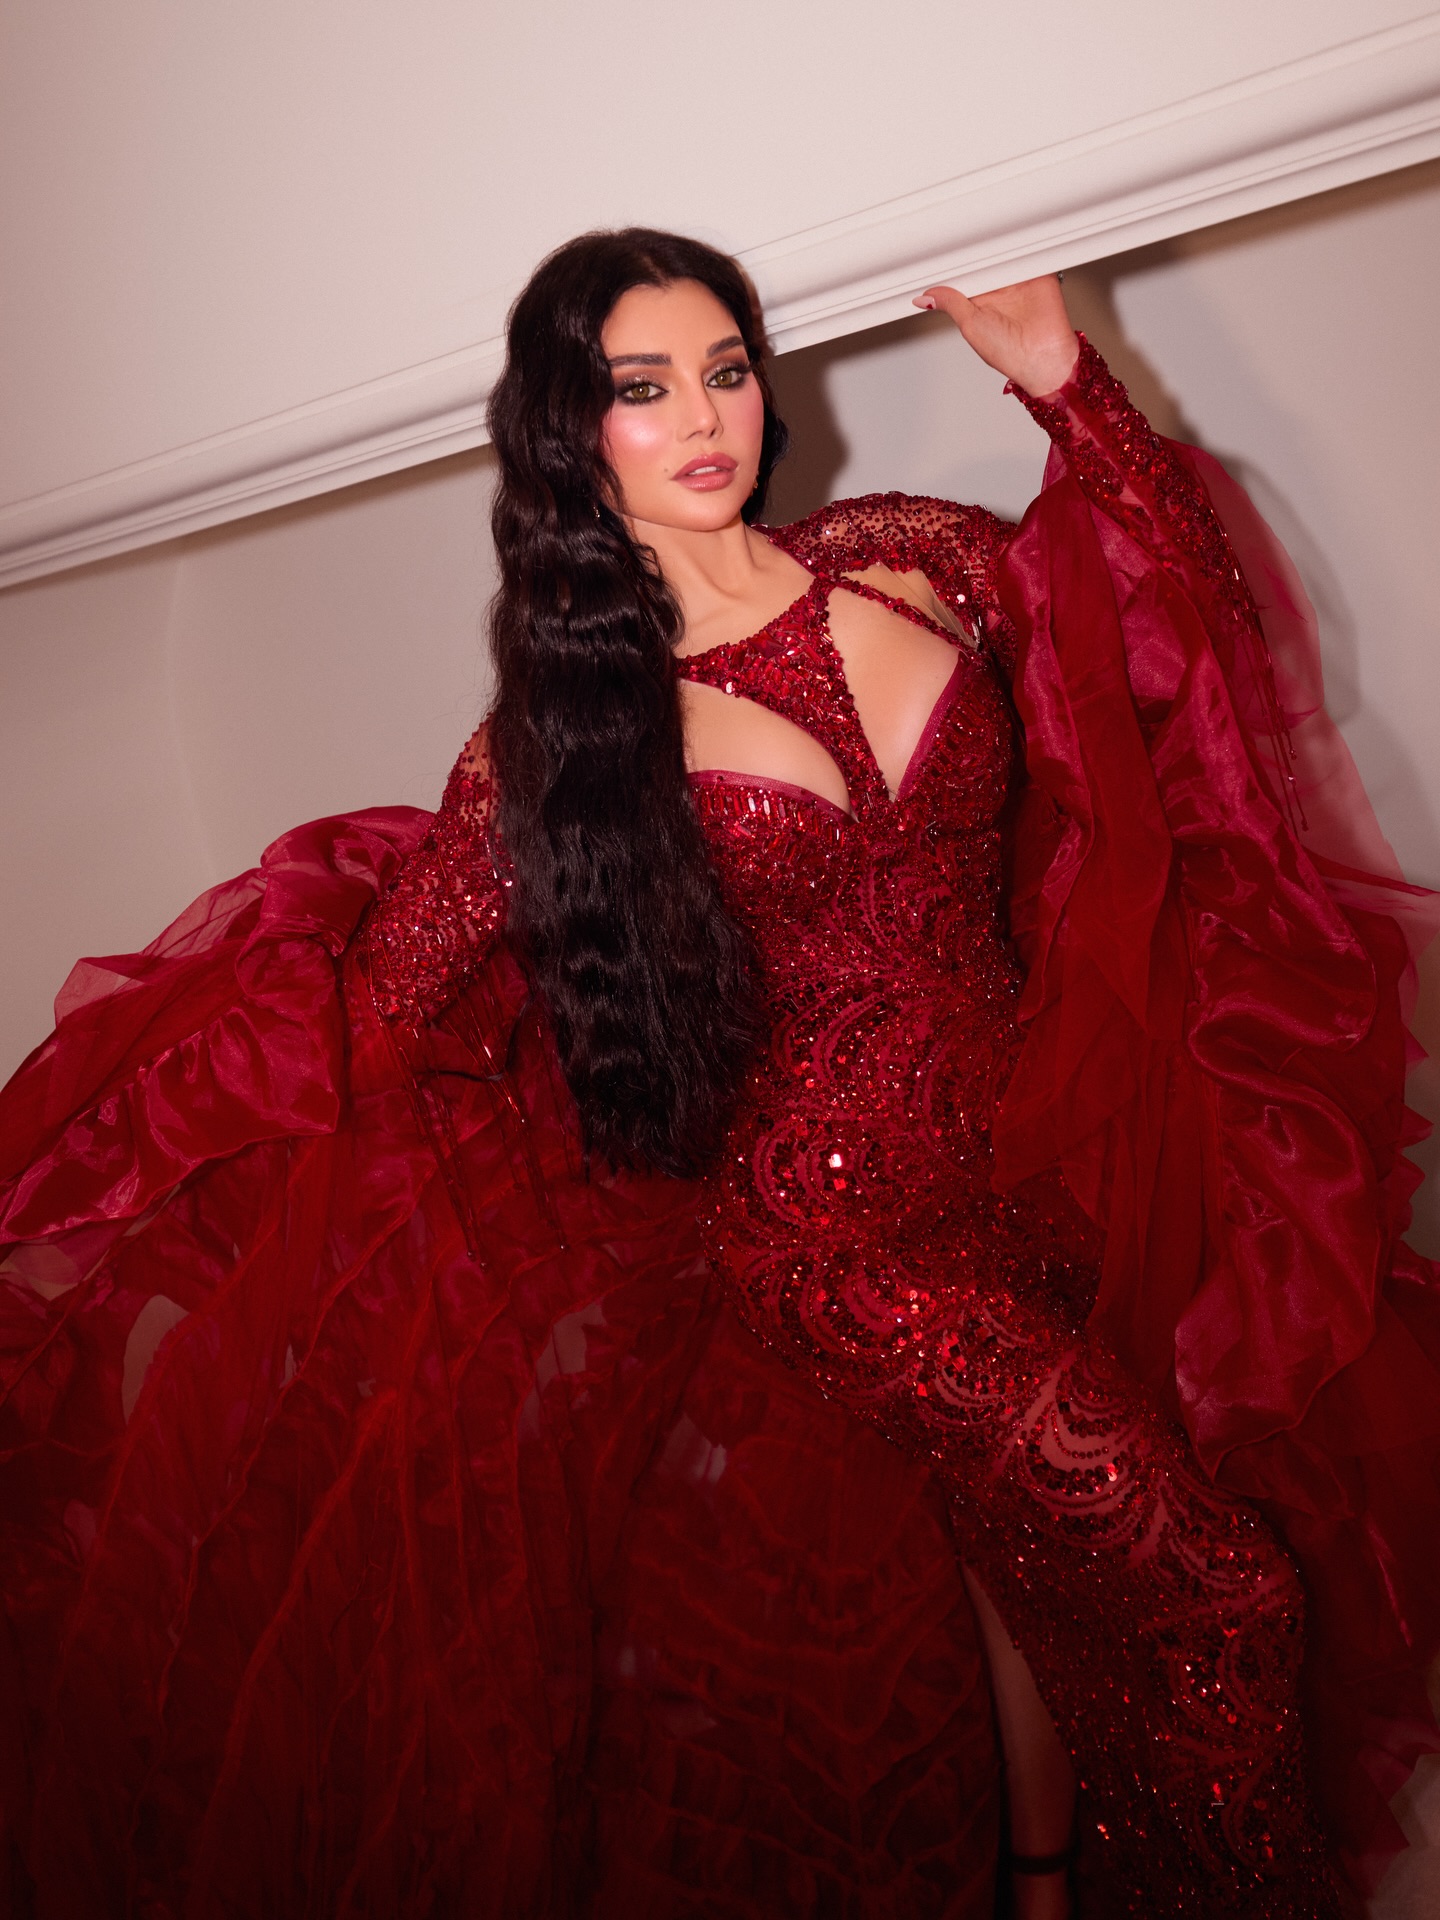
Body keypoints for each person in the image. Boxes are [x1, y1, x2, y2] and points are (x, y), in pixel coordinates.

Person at [2, 227, 1438, 1919]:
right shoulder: (563, 742)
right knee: (1219, 1595)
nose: (703, 415)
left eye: (727, 368)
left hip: (1041, 1167)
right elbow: (380, 1008)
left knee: (1032, 1577)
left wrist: (1066, 384)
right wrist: (161, 1158)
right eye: (643, 386)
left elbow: (1190, 628)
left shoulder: (911, 556)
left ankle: (1046, 1887)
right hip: (844, 1247)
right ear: (568, 431)